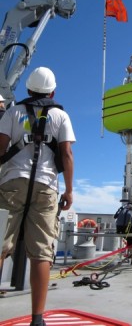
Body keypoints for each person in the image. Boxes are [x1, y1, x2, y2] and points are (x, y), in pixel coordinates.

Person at [0, 67, 75, 326]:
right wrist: (68, 190)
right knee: (41, 253)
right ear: (53, 91)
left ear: (29, 89)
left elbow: (1, 148)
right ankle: (37, 319)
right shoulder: (60, 116)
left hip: (12, 183)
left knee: (0, 245)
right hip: (46, 188)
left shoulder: (14, 112)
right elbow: (66, 155)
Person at [114, 200, 132, 265]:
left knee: (129, 240)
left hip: (119, 229)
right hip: (130, 228)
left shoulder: (122, 207)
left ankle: (131, 255)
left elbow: (115, 216)